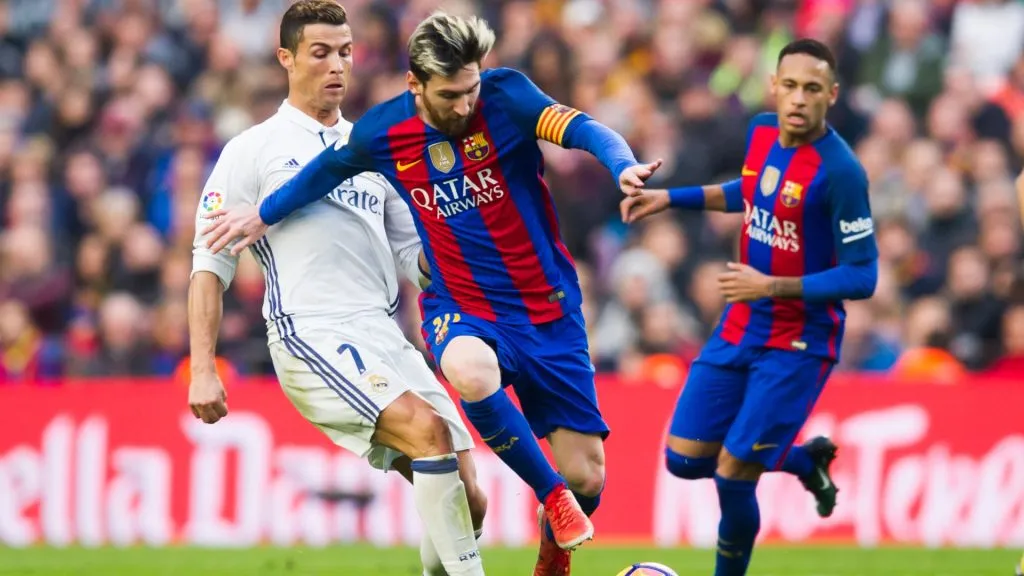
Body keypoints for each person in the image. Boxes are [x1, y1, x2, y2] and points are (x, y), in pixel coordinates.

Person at [200, 10, 662, 576]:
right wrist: (263, 214)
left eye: (471, 89)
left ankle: (554, 544)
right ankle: (552, 495)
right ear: (415, 84)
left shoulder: (507, 96)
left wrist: (622, 165)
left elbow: (586, 130)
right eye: (450, 95)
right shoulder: (382, 132)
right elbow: (318, 176)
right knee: (465, 376)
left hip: (547, 309)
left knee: (583, 478)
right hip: (458, 307)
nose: (464, 106)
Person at [186, 3, 486, 575]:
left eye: (345, 52)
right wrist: (203, 367)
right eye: (320, 53)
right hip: (310, 331)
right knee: (426, 432)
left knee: (469, 499)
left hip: (384, 334)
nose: (337, 66)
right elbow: (209, 264)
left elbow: (414, 258)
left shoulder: (372, 148)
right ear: (286, 58)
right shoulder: (252, 149)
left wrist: (461, 241)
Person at [621, 39, 878, 576]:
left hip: (799, 341)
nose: (799, 98)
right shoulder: (761, 132)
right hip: (742, 323)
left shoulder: (842, 172)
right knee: (684, 459)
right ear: (773, 87)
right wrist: (670, 198)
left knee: (734, 474)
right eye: (791, 86)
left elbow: (863, 275)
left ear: (831, 95)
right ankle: (804, 460)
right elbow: (750, 190)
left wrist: (772, 286)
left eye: (812, 89)